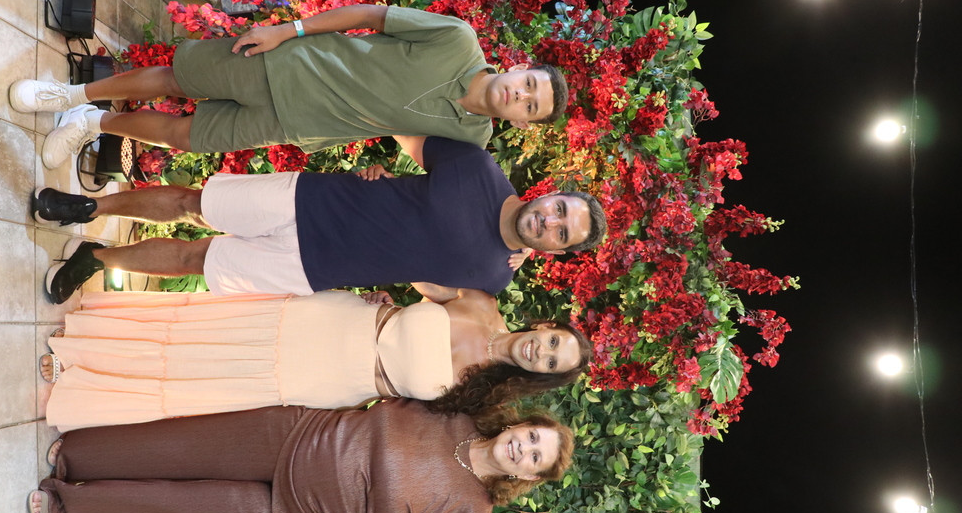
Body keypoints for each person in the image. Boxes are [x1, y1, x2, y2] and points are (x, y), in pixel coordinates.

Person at [34, 136, 607, 303]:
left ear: (556, 251)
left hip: (313, 269)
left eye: (562, 233)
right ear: (552, 194)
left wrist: (411, 279)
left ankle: (95, 258)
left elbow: (440, 294)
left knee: (195, 260)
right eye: (560, 209)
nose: (550, 222)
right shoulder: (479, 168)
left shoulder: (495, 276)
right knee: (193, 203)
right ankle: (89, 207)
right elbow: (408, 137)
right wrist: (383, 171)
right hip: (312, 199)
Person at [28, 398, 575, 513]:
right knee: (184, 444)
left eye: (535, 458)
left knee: (178, 509)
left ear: (527, 477)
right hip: (299, 435)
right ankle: (80, 454)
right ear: (519, 425)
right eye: (532, 437)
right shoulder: (460, 413)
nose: (524, 449)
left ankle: (68, 512)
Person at [8, 4, 569, 168]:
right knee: (178, 80)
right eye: (529, 85)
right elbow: (371, 16)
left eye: (531, 106)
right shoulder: (457, 39)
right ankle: (70, 95)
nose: (520, 96)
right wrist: (288, 30)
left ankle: (92, 124)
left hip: (297, 123)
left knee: (186, 137)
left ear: (524, 123)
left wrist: (513, 247)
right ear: (519, 67)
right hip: (289, 64)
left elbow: (416, 144)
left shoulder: (472, 139)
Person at [40, 283, 592, 432]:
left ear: (541, 377)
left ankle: (84, 379)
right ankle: (89, 339)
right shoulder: (481, 301)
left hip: (339, 380)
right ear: (545, 327)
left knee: (206, 377)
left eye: (551, 363)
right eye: (552, 343)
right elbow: (415, 263)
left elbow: (418, 427)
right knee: (205, 329)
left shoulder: (486, 397)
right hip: (337, 320)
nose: (540, 353)